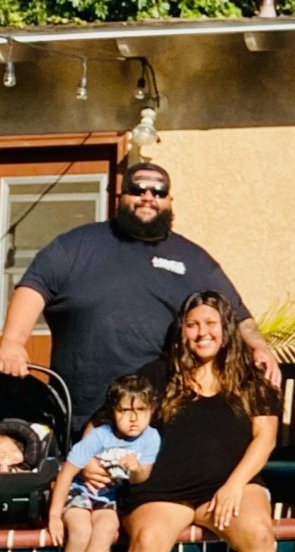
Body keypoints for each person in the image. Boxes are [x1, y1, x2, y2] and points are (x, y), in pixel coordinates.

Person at [0, 162, 280, 434]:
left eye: (158, 192)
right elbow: (34, 287)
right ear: (120, 197)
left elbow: (237, 315)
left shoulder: (193, 259)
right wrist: (13, 341)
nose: (148, 197)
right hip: (81, 409)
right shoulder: (77, 244)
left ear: (169, 200)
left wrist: (259, 346)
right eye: (137, 190)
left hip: (158, 415)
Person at [121, 290, 281, 552]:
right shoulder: (158, 375)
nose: (202, 332)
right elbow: (108, 418)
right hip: (164, 489)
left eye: (210, 323)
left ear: (226, 328)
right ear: (182, 331)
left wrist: (233, 486)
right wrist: (89, 461)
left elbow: (265, 438)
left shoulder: (251, 379)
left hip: (230, 483)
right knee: (148, 541)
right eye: (192, 325)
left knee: (259, 535)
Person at [47, 374, 161, 552]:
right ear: (113, 412)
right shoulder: (100, 436)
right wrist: (54, 516)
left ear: (152, 409)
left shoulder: (151, 437)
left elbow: (141, 477)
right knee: (81, 530)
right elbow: (66, 473)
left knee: (106, 529)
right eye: (124, 410)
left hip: (108, 497)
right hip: (79, 492)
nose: (133, 418)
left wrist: (136, 469)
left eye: (141, 409)